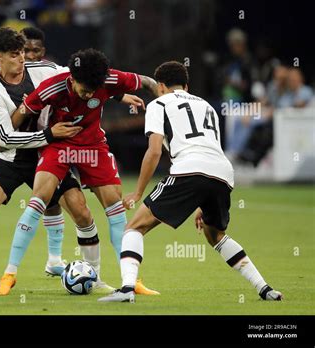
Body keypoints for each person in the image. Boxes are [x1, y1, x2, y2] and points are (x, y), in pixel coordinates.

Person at [98, 61, 283, 302]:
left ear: (161, 85)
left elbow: (154, 151)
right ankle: (265, 289)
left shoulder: (158, 103)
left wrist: (137, 192)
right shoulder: (207, 106)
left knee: (134, 228)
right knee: (215, 235)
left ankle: (126, 290)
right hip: (222, 173)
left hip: (189, 169)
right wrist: (201, 201)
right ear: (186, 85)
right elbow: (209, 148)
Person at [0, 48, 161, 296]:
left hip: (93, 147)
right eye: (85, 90)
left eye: (94, 91)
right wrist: (3, 136)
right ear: (72, 78)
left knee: (115, 207)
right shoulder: (53, 87)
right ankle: (9, 274)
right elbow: (22, 112)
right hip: (58, 146)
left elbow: (148, 82)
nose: (90, 95)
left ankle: (130, 279)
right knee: (38, 198)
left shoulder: (109, 79)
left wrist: (163, 106)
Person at [0, 27, 74, 280]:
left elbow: (82, 75)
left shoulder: (45, 69)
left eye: (26, 52)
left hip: (44, 154)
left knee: (70, 206)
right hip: (2, 146)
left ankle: (57, 260)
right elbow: (1, 132)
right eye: (17, 54)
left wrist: (121, 92)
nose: (24, 58)